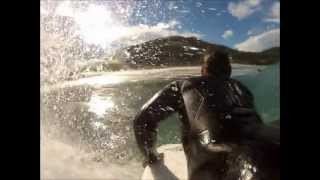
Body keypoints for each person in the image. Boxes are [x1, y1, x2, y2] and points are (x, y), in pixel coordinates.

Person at [133, 51, 280, 180]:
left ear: (203, 69)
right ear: (229, 71)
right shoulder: (241, 89)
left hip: (220, 167)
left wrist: (151, 157)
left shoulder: (184, 85)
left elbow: (142, 121)